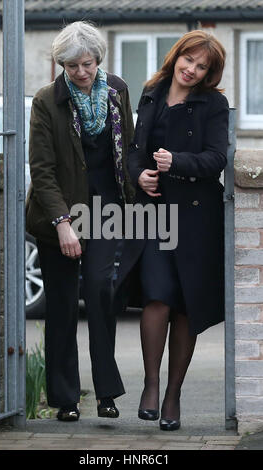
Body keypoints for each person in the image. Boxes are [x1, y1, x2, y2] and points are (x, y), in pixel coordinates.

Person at [114, 30, 229, 431]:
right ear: (177, 55)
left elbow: (216, 159)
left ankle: (173, 395)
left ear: (209, 73)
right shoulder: (152, 92)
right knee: (157, 297)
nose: (192, 70)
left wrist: (176, 161)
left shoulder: (213, 104)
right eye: (189, 60)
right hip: (154, 216)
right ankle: (150, 383)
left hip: (196, 220)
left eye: (202, 66)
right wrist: (139, 176)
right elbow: (132, 150)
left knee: (184, 307)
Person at [26, 21, 134, 421]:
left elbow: (127, 152)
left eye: (86, 64)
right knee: (62, 306)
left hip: (105, 211)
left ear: (97, 60)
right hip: (60, 214)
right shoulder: (46, 101)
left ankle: (107, 393)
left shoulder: (118, 91)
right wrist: (62, 222)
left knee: (101, 292)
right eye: (71, 66)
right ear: (62, 65)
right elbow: (42, 169)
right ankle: (66, 399)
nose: (80, 73)